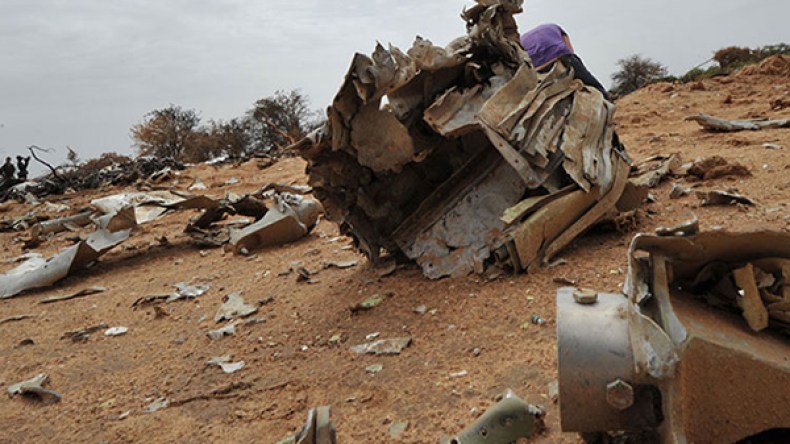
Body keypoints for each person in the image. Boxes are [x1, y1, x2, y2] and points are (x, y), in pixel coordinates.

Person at [520, 24, 609, 99]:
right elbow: (570, 51)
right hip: (560, 59)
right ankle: (606, 99)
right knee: (592, 85)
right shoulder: (556, 28)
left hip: (537, 70)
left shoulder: (521, 40)